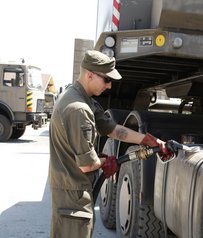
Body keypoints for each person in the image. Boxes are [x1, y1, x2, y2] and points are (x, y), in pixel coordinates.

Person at [48, 50, 170, 238]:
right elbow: (87, 164)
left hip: (71, 190)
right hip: (73, 193)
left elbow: (113, 129)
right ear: (90, 75)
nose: (110, 85)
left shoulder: (80, 99)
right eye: (106, 80)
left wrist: (146, 139)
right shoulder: (78, 110)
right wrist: (103, 162)